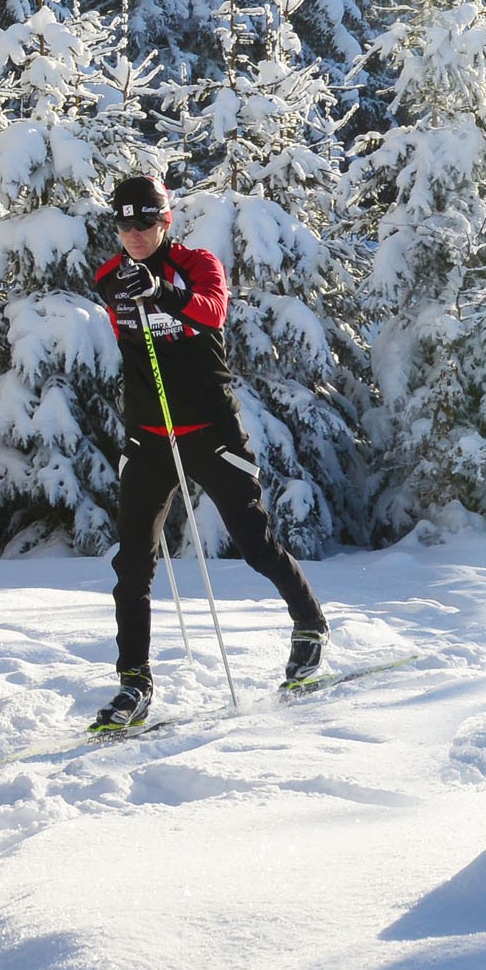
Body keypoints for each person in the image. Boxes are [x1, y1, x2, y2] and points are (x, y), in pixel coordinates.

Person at [86, 170, 330, 731]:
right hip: (149, 436)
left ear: (165, 220)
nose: (135, 233)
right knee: (132, 564)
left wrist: (162, 293)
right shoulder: (108, 278)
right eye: (125, 224)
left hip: (210, 431)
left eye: (147, 222)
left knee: (255, 545)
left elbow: (211, 312)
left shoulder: (196, 264)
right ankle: (134, 683)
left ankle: (310, 624)